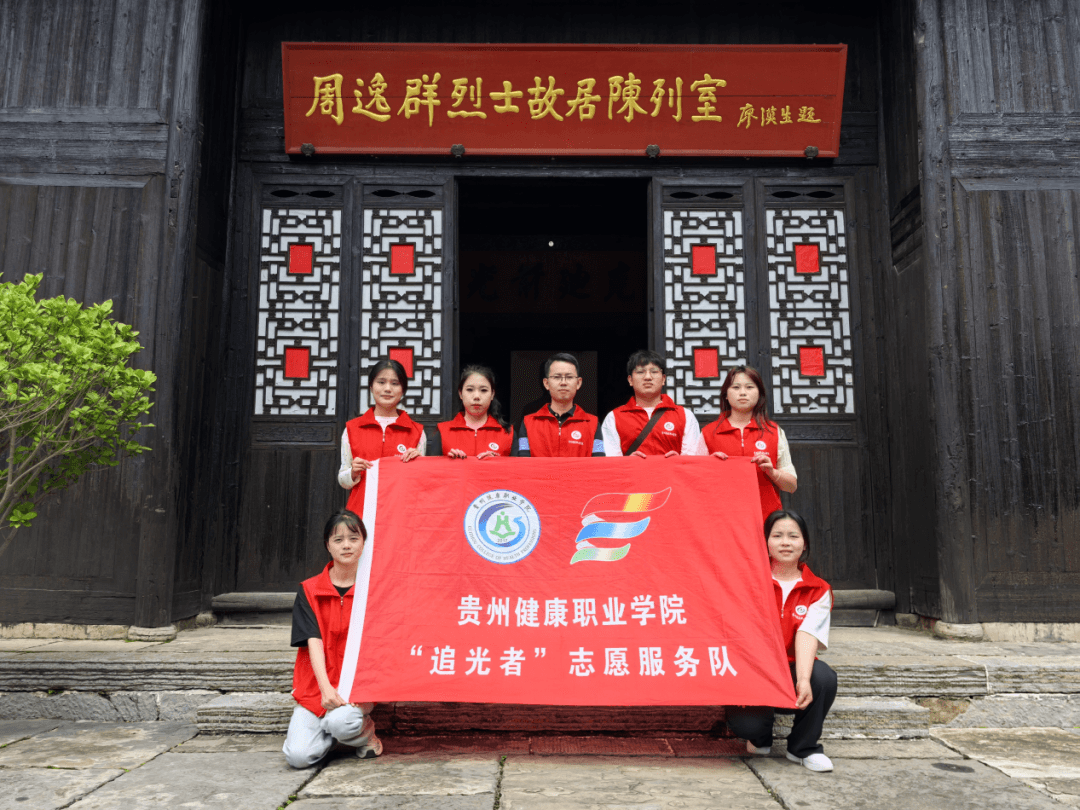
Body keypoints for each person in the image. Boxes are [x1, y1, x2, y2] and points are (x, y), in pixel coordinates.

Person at [726, 509, 836, 773]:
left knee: (823, 677)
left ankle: (802, 748)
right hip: (754, 667)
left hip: (791, 667)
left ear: (804, 543)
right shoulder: (748, 581)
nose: (785, 542)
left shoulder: (819, 589)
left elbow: (807, 633)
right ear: (765, 542)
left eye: (793, 536)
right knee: (746, 726)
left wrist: (803, 680)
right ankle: (760, 737)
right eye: (777, 536)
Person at [283, 509, 381, 768]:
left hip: (356, 688)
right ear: (328, 545)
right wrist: (325, 688)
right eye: (338, 540)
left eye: (353, 538)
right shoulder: (309, 590)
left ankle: (363, 734)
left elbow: (378, 645)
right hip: (317, 688)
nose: (346, 545)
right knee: (298, 757)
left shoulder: (374, 590)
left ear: (364, 542)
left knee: (341, 722)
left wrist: (362, 690)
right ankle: (338, 736)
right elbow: (312, 641)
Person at [698, 365, 796, 521]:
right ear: (726, 395)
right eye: (736, 387)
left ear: (759, 394)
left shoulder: (774, 432)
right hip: (721, 520)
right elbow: (694, 483)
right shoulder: (708, 433)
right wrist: (710, 467)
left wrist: (772, 472)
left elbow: (791, 486)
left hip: (766, 520)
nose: (742, 392)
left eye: (749, 387)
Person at [337, 359, 425, 518]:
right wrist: (354, 472)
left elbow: (420, 484)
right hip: (361, 515)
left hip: (400, 515)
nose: (387, 389)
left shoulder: (417, 432)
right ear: (371, 386)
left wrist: (420, 465)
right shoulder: (352, 429)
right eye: (381, 382)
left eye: (395, 383)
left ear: (403, 390)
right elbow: (343, 480)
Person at [601, 349, 702, 457]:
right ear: (630, 380)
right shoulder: (613, 418)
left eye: (654, 372)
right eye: (640, 372)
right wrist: (628, 462)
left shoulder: (685, 416)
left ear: (663, 379)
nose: (648, 377)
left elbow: (693, 459)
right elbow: (610, 460)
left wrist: (678, 461)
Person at [512, 352, 603, 457]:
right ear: (546, 383)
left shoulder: (593, 424)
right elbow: (523, 461)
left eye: (569, 377)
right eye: (557, 377)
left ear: (578, 383)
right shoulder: (528, 423)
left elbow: (599, 461)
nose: (563, 382)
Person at [429, 365, 513, 458]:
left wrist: (498, 463)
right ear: (460, 393)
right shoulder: (443, 431)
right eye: (470, 390)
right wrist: (450, 463)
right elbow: (431, 466)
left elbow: (519, 466)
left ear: (492, 394)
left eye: (483, 390)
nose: (476, 396)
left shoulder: (508, 433)